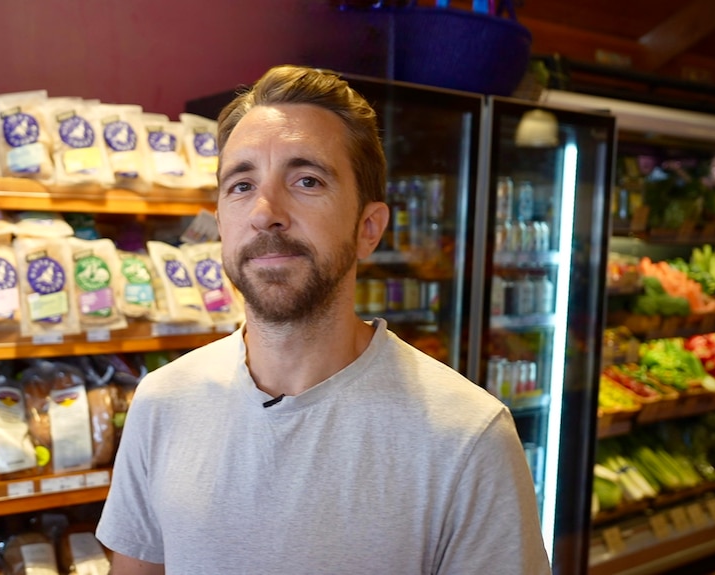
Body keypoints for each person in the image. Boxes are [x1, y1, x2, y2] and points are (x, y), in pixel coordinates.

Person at [96, 64, 551, 575]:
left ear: (369, 227)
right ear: (221, 220)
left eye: (306, 180)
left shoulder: (467, 437)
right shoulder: (161, 403)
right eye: (241, 185)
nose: (265, 211)